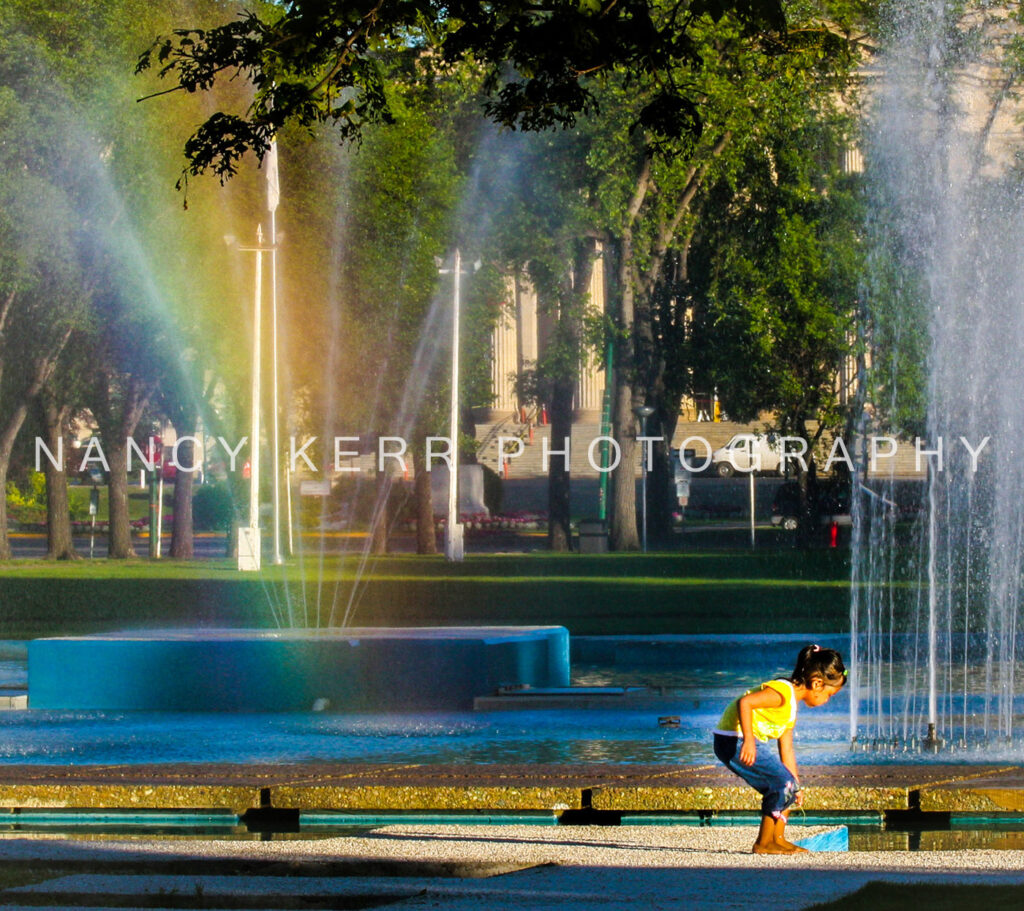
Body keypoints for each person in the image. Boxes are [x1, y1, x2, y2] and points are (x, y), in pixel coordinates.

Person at [713, 644, 846, 854]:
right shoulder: (783, 692)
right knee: (782, 783)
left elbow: (787, 749)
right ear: (817, 684)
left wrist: (797, 786)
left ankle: (778, 839)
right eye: (829, 695)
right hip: (733, 739)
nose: (827, 700)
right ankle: (763, 843)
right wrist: (748, 740)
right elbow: (746, 703)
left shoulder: (791, 708)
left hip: (741, 740)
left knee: (789, 787)